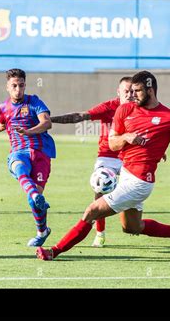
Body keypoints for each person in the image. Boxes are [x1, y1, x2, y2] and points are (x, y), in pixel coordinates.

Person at [36, 71, 170, 261]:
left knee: (91, 211)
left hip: (140, 183)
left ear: (150, 90)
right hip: (126, 175)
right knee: (132, 228)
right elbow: (112, 144)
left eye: (137, 91)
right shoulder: (125, 110)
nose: (132, 95)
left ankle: (54, 251)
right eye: (130, 90)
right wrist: (126, 138)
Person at [0, 69, 55, 247]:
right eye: (14, 86)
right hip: (19, 151)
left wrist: (29, 131)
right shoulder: (4, 107)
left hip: (40, 153)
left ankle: (42, 231)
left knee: (33, 201)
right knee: (18, 166)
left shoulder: (34, 101)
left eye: (21, 85)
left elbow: (47, 123)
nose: (18, 89)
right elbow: (1, 124)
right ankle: (34, 194)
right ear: (7, 87)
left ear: (25, 85)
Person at [50, 77, 133, 247]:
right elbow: (81, 116)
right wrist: (49, 119)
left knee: (130, 201)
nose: (130, 95)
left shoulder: (140, 109)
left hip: (130, 157)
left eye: (133, 91)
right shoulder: (109, 107)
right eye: (126, 91)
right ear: (119, 92)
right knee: (100, 186)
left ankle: (132, 224)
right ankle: (100, 233)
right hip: (107, 156)